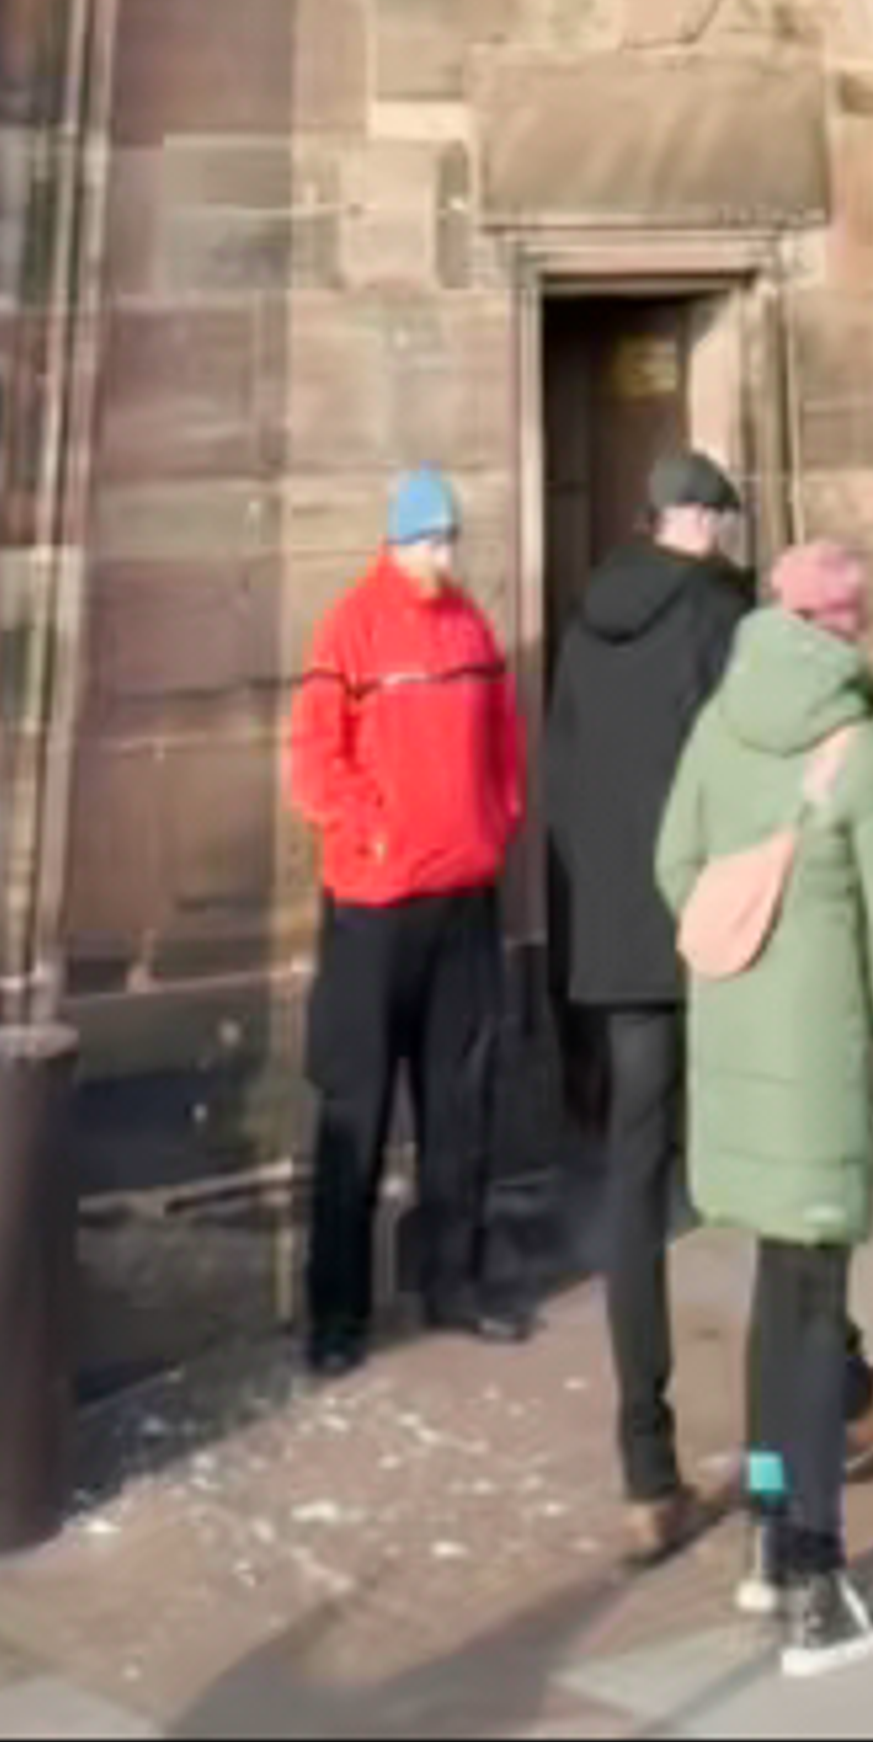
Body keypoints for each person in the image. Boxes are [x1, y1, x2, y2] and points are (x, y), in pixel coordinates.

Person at [543, 447, 873, 1565]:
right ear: (707, 521)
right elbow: (758, 762)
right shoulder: (723, 613)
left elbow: (562, 790)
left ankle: (647, 1470)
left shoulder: (581, 621)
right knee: (772, 1175)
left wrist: (602, 916)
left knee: (632, 1188)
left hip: (619, 944)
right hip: (725, 931)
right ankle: (813, 1423)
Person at [658, 531, 873, 1685]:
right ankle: (814, 1580)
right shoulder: (854, 746)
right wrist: (854, 1009)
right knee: (816, 1315)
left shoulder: (720, 723)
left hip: (731, 1050)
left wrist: (742, 973)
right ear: (846, 623)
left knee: (778, 1303)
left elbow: (677, 865)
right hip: (811, 1062)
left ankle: (769, 1534)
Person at [287, 469, 531, 1371]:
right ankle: (337, 1316)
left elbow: (504, 735)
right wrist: (375, 833)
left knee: (460, 1101)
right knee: (356, 1105)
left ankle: (453, 1285)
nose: (444, 555)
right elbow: (315, 761)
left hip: (462, 896)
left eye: (450, 539)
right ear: (396, 541)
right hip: (373, 908)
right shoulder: (350, 625)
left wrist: (497, 818)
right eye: (430, 540)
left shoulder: (470, 624)